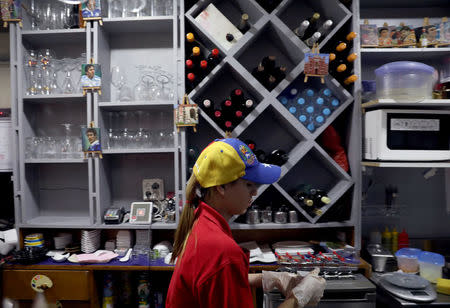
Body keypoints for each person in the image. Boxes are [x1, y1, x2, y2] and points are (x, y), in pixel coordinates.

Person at [166, 138, 326, 308]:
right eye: (249, 184)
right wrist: (298, 298)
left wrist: (263, 279)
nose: (255, 192)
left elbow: (209, 280)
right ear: (221, 187)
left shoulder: (202, 222)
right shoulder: (222, 250)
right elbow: (220, 267)